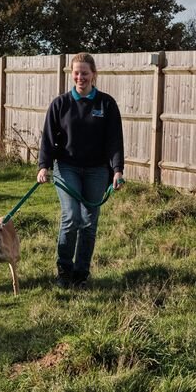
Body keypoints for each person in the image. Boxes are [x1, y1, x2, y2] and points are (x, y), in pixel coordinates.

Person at [37, 52, 124, 289]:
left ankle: (81, 274)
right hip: (67, 168)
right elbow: (47, 138)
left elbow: (114, 140)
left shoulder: (106, 104)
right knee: (72, 217)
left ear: (94, 75)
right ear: (71, 74)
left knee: (88, 222)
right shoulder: (60, 104)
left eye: (85, 73)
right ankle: (64, 270)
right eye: (76, 73)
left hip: (97, 171)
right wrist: (43, 166)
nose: (80, 77)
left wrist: (117, 170)